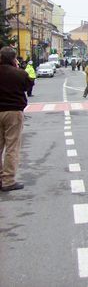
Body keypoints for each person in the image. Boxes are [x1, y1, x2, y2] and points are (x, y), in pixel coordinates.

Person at [0, 46, 32, 191]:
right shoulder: (19, 73)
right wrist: (17, 68)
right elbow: (28, 86)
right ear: (14, 58)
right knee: (11, 147)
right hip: (13, 112)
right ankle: (8, 180)